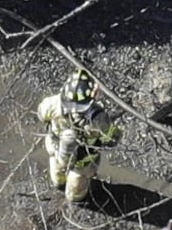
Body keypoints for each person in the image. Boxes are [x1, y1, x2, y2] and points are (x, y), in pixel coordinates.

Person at [37, 68, 121, 204]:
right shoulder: (98, 119)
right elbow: (112, 140)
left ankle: (58, 184)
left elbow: (41, 115)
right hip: (82, 162)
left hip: (55, 149)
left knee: (56, 167)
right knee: (77, 185)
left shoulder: (52, 103)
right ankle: (76, 200)